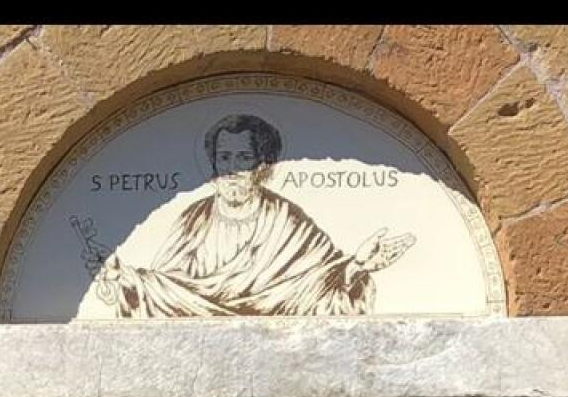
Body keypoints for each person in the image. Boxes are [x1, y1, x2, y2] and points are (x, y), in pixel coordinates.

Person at [94, 112, 414, 319]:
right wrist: (123, 277)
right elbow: (168, 291)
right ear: (213, 164)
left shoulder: (288, 222)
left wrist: (358, 266)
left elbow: (317, 288)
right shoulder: (194, 219)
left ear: (262, 166)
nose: (232, 169)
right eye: (224, 158)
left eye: (244, 157)